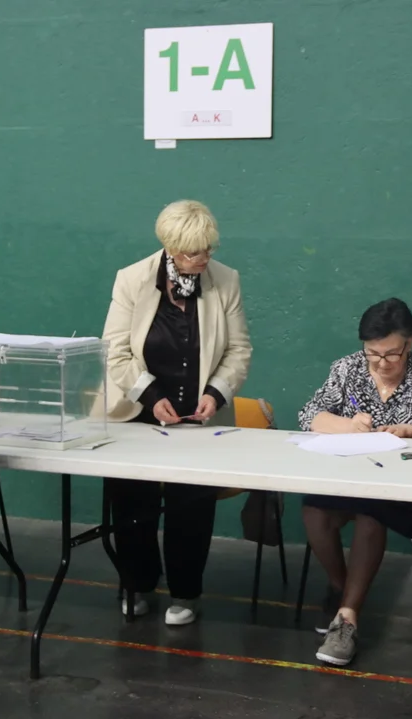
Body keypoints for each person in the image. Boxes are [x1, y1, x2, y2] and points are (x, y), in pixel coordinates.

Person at [100, 199, 252, 625]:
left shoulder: (226, 280)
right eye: (191, 253)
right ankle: (137, 585)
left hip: (199, 418)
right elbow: (115, 351)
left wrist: (216, 394)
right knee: (133, 505)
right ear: (169, 248)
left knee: (192, 507)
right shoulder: (132, 279)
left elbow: (239, 350)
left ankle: (186, 593)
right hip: (138, 412)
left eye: (207, 249)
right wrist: (150, 396)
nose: (201, 259)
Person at [298, 298, 412, 666]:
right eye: (373, 353)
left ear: (409, 343)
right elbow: (310, 415)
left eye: (391, 354)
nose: (381, 363)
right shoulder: (347, 369)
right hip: (349, 476)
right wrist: (348, 425)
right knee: (314, 510)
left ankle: (346, 618)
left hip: (406, 486)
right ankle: (341, 588)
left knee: (373, 514)